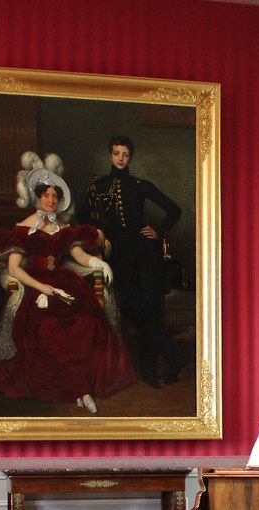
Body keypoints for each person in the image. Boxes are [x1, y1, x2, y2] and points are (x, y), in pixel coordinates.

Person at [0, 153, 136, 414]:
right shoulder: (24, 227)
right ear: (38, 198)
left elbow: (77, 255)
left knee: (88, 322)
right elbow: (13, 268)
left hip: (65, 282)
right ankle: (78, 391)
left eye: (55, 196)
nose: (52, 201)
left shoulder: (64, 227)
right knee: (49, 330)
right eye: (47, 196)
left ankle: (83, 389)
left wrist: (99, 264)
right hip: (35, 284)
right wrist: (42, 288)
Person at [80, 136, 184, 389]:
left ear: (131, 157)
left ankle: (149, 372)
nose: (120, 158)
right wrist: (98, 233)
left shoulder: (140, 185)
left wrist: (159, 231)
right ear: (110, 155)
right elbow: (84, 216)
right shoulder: (99, 185)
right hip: (120, 255)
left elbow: (174, 209)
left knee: (148, 311)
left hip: (146, 254)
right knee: (130, 309)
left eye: (125, 154)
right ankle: (176, 356)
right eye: (116, 153)